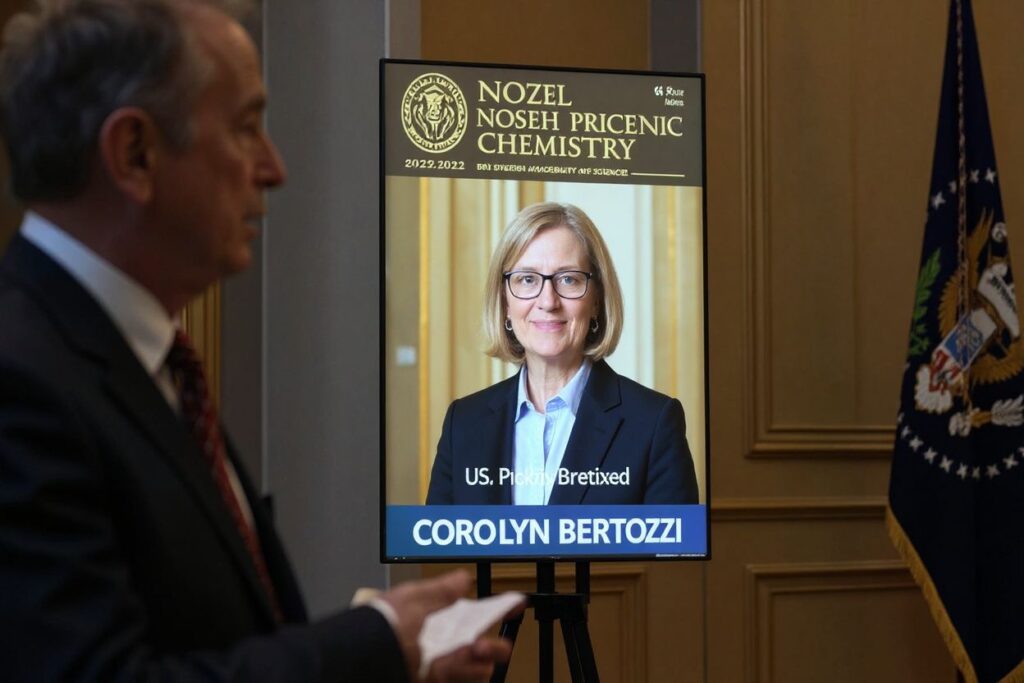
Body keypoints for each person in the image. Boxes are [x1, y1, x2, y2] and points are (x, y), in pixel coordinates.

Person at [0, 1, 510, 681]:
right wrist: (377, 640)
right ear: (135, 153)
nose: (274, 167)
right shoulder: (21, 380)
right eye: (245, 128)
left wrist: (398, 653)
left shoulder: (149, 365)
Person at [426, 202, 699, 506]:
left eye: (568, 279)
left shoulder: (653, 423)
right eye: (527, 279)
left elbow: (673, 552)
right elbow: (441, 551)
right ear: (505, 302)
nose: (547, 301)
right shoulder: (463, 424)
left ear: (596, 299)